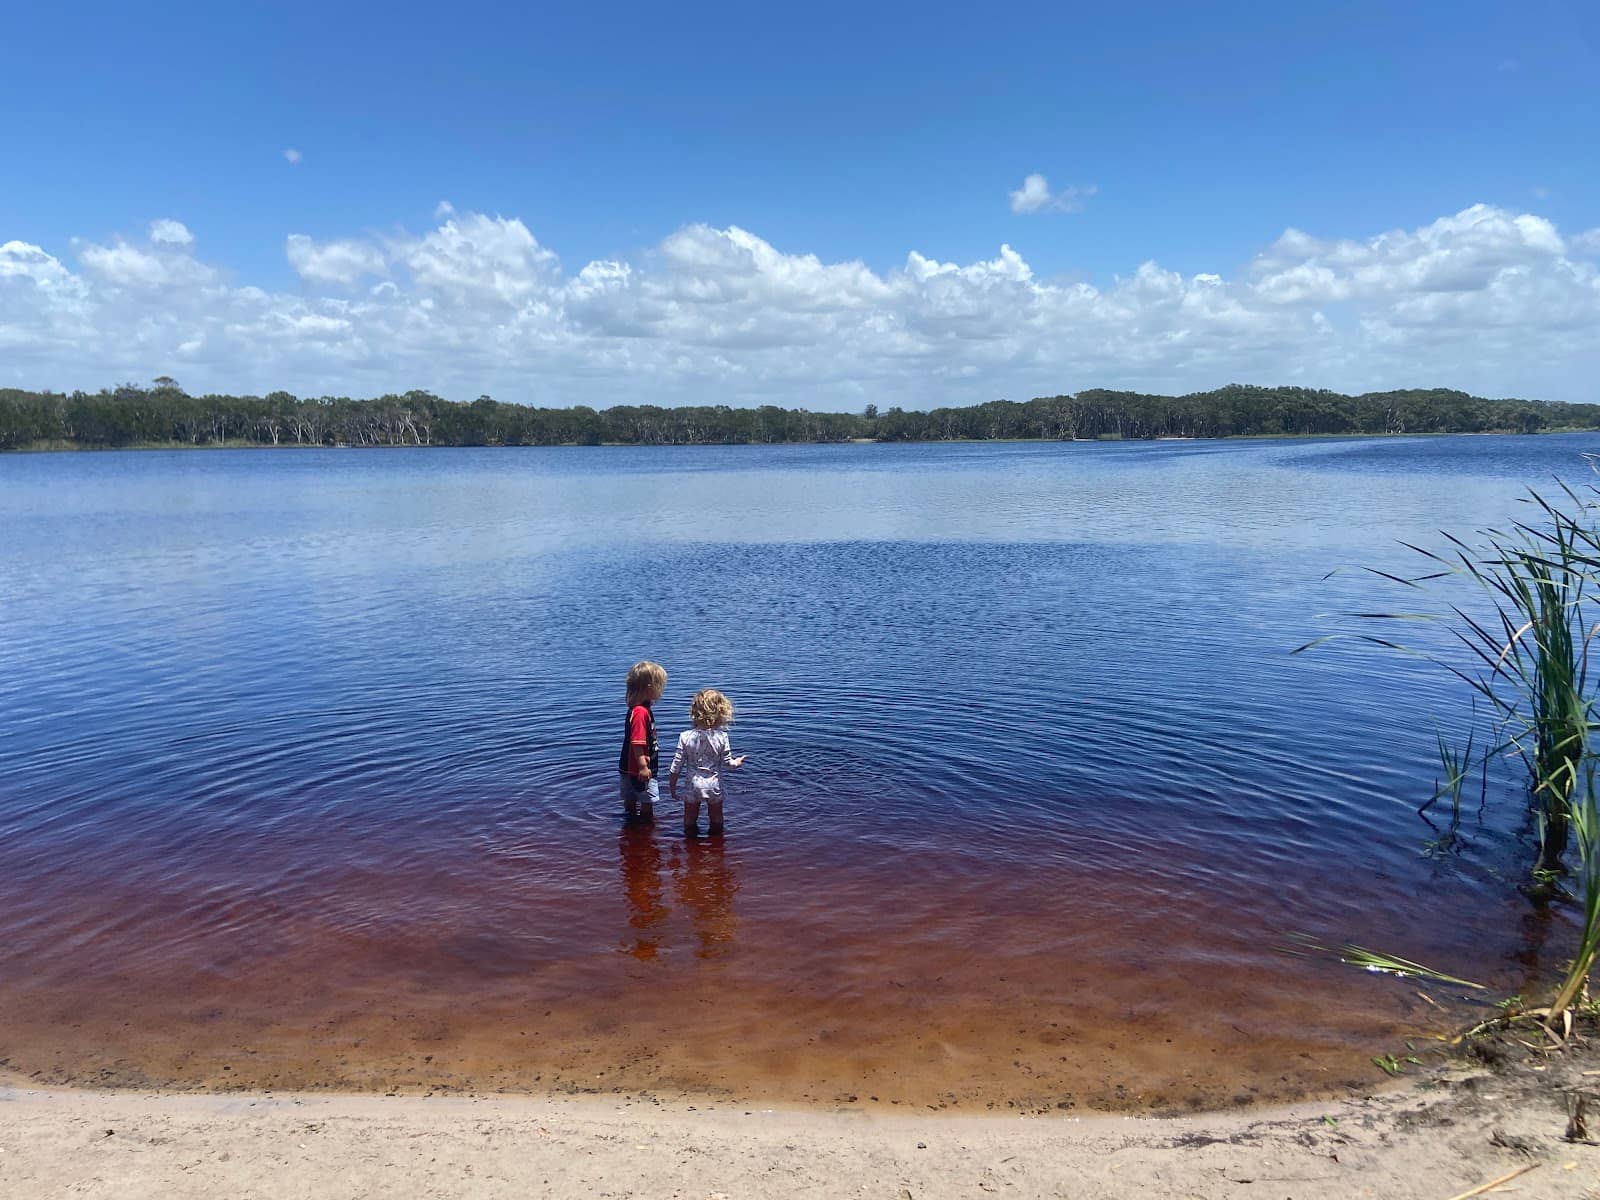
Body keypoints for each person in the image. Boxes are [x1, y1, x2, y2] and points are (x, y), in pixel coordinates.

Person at [668, 688, 746, 837]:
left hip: (693, 785)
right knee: (717, 818)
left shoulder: (685, 737)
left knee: (689, 819)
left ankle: (691, 848)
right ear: (721, 713)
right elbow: (728, 763)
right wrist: (737, 762)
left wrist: (672, 787)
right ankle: (717, 845)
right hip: (714, 784)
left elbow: (676, 766)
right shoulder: (722, 737)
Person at [619, 661, 667, 823]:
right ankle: (645, 834)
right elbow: (637, 742)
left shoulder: (636, 709)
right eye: (659, 685)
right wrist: (643, 767)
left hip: (627, 766)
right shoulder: (641, 712)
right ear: (649, 687)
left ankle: (632, 833)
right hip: (640, 769)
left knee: (630, 802)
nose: (661, 690)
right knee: (647, 804)